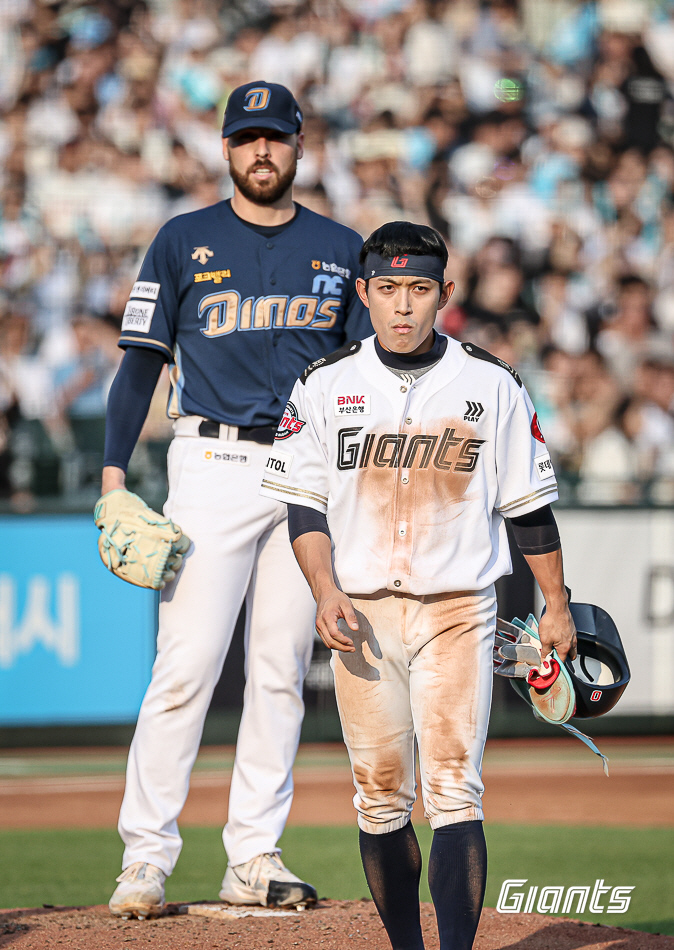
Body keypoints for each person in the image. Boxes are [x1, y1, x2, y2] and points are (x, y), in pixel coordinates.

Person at [260, 221, 577, 950]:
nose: (404, 304)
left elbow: (528, 506)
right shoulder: (323, 383)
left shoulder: (490, 383)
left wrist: (556, 604)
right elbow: (302, 504)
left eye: (420, 289)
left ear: (445, 294)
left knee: (454, 789)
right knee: (378, 798)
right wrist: (323, 588)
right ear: (364, 293)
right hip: (361, 611)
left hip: (458, 610)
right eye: (390, 288)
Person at [102, 81, 371, 919]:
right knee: (184, 669)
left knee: (281, 672)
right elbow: (140, 364)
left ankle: (253, 854)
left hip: (305, 468)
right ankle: (145, 858)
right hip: (210, 462)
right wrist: (114, 476)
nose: (262, 151)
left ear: (299, 147)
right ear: (226, 148)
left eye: (276, 138)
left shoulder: (340, 246)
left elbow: (364, 375)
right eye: (247, 137)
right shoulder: (183, 239)